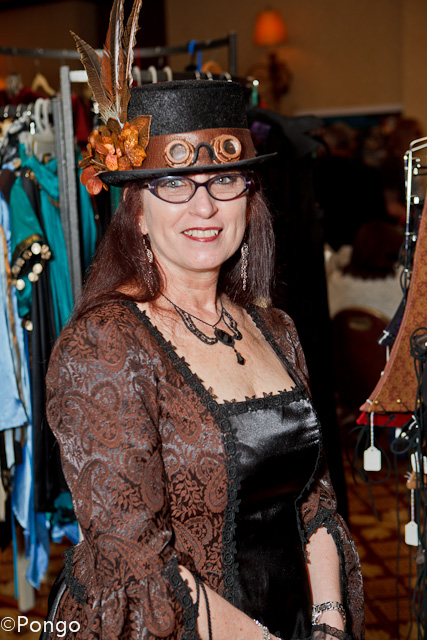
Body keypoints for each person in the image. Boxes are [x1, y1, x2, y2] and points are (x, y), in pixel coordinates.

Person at [42, 7, 363, 639]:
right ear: (136, 212)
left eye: (224, 181)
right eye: (174, 184)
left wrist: (328, 621)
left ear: (250, 197)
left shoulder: (276, 328)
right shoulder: (105, 346)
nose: (205, 206)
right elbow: (139, 562)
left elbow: (314, 499)